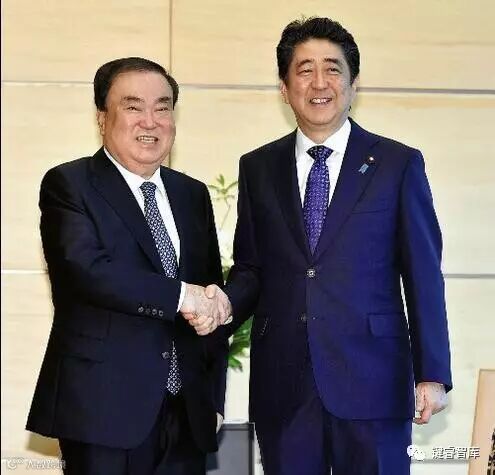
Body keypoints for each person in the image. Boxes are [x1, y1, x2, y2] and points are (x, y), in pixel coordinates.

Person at [191, 17, 453, 475]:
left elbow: (423, 275)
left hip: (374, 381)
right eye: (305, 69)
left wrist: (432, 373)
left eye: (332, 69)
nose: (319, 83)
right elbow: (252, 267)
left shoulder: (397, 164)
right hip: (284, 385)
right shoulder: (258, 167)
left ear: (353, 84)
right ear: (284, 87)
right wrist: (224, 303)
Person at [26, 57, 229, 475]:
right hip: (102, 412)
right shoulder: (69, 184)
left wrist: (213, 400)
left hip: (187, 416)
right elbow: (86, 270)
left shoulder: (191, 195)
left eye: (163, 107)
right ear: (102, 118)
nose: (150, 121)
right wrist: (181, 295)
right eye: (133, 107)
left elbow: (209, 297)